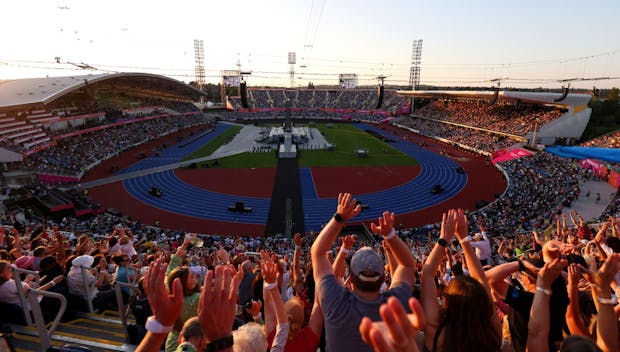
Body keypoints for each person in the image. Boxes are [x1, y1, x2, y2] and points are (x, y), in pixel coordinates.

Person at [311, 193, 416, 351]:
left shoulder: (336, 303)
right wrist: (390, 235)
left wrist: (339, 217)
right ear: (383, 279)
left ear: (350, 279)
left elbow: (317, 252)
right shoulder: (395, 305)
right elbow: (407, 265)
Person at [420, 209, 501, 352]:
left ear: (447, 302)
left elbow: (426, 273)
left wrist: (444, 238)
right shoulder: (492, 333)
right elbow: (481, 281)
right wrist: (463, 239)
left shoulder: (438, 337)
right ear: (482, 302)